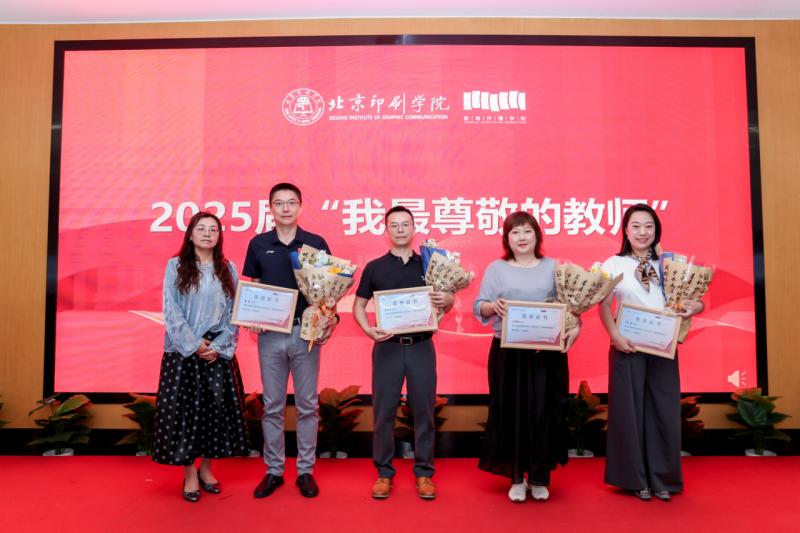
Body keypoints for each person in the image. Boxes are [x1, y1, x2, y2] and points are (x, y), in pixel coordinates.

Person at [598, 203, 703, 501]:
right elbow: (603, 305)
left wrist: (695, 306)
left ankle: (662, 479)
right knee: (628, 412)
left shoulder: (671, 264)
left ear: (657, 230)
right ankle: (634, 479)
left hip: (663, 347)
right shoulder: (613, 264)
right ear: (626, 231)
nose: (642, 232)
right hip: (626, 345)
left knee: (663, 412)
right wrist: (615, 336)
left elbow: (696, 301)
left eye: (649, 226)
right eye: (636, 226)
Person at [473, 211, 580, 503]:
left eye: (527, 231)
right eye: (515, 232)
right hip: (508, 353)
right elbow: (479, 306)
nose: (521, 238)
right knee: (511, 413)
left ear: (537, 235)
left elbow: (571, 308)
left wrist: (575, 327)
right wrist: (493, 306)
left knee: (544, 412)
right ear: (507, 238)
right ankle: (517, 477)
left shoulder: (554, 268)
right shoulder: (496, 269)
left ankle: (539, 477)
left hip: (545, 354)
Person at [243, 183, 339, 499]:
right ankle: (274, 470)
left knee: (308, 404)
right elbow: (255, 286)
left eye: (291, 202)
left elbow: (329, 289)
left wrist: (330, 318)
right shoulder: (258, 244)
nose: (285, 208)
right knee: (272, 405)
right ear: (270, 208)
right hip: (271, 335)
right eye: (279, 203)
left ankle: (305, 471)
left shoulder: (315, 244)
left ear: (300, 206)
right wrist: (253, 317)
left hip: (305, 334)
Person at [352, 206, 454, 500]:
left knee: (424, 411)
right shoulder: (375, 267)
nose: (400, 229)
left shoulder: (430, 264)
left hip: (422, 346)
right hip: (387, 348)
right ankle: (384, 473)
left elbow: (447, 301)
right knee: (383, 413)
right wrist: (368, 330)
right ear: (386, 231)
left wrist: (447, 300)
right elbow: (359, 305)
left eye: (405, 224)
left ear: (413, 228)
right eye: (394, 225)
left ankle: (424, 473)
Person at [153, 211, 249, 503]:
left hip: (217, 353)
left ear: (219, 236)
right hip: (184, 352)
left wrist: (218, 346)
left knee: (215, 413)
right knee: (185, 415)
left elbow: (236, 311)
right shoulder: (175, 266)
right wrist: (195, 344)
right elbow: (171, 309)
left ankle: (206, 468)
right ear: (191, 234)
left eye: (213, 229)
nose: (207, 233)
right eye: (201, 228)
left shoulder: (228, 268)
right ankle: (189, 473)